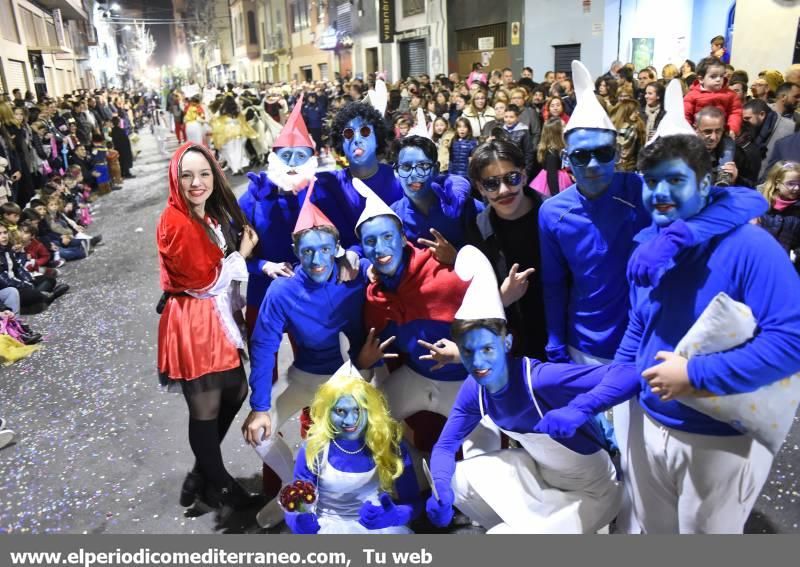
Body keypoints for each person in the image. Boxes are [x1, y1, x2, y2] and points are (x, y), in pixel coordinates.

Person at [539, 64, 768, 532]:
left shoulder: (638, 192)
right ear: (567, 159)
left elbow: (739, 203)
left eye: (604, 153)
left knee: (678, 483)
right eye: (581, 157)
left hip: (677, 368)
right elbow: (554, 283)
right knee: (619, 457)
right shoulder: (553, 212)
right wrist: (555, 343)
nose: (594, 166)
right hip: (604, 346)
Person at [615, 133, 800, 533]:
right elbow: (639, 325)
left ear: (704, 185)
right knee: (655, 534)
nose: (660, 193)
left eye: (675, 180)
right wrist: (608, 389)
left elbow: (790, 341)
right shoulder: (648, 248)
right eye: (650, 182)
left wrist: (695, 375)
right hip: (649, 423)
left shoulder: (752, 247)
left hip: (719, 438)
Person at [426, 246, 636, 533]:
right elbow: (445, 446)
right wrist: (441, 492)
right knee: (456, 481)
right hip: (539, 477)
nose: (478, 362)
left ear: (507, 343)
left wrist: (581, 407)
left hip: (594, 492)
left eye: (487, 348)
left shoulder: (540, 379)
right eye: (467, 351)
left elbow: (629, 374)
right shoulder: (474, 389)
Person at [243, 183, 369, 528]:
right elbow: (265, 347)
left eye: (324, 249)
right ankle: (295, 487)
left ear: (335, 249)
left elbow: (385, 258)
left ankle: (350, 498)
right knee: (258, 433)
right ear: (296, 251)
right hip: (305, 376)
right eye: (308, 251)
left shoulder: (352, 276)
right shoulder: (282, 290)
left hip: (351, 380)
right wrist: (259, 406)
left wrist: (357, 254)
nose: (316, 260)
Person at [356, 181, 500, 457]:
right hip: (415, 377)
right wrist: (364, 364)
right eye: (370, 241)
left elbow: (500, 332)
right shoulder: (374, 294)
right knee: (362, 427)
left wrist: (461, 353)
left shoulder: (445, 273)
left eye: (388, 237)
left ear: (402, 238)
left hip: (465, 381)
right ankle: (400, 489)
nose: (380, 248)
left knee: (486, 459)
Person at [156, 142, 260, 512]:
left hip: (213, 316)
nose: (196, 182)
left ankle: (203, 472)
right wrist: (242, 255)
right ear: (175, 178)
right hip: (194, 319)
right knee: (207, 406)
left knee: (234, 390)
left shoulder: (207, 214)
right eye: (187, 175)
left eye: (204, 174)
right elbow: (204, 281)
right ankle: (220, 485)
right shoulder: (177, 221)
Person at [286, 366, 421, 534]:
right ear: (327, 411)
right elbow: (296, 502)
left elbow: (414, 502)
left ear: (371, 410)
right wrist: (298, 522)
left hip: (378, 528)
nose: (350, 421)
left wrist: (396, 516)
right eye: (340, 411)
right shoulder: (314, 449)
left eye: (358, 410)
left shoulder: (390, 445)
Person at [463, 140, 547, 360]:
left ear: (524, 175)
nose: (504, 191)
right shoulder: (477, 230)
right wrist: (502, 298)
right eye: (491, 184)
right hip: (512, 347)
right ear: (480, 187)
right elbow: (474, 301)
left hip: (560, 342)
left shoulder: (551, 215)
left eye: (512, 179)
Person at [309, 98, 402, 250]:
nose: (357, 139)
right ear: (341, 142)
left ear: (377, 138)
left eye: (365, 131)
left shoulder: (397, 180)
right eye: (348, 133)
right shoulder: (327, 185)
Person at [390, 135, 481, 256]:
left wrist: (456, 257)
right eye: (406, 167)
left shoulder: (462, 205)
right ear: (396, 172)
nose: (414, 174)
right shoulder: (394, 217)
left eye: (423, 166)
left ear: (436, 169)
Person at [683, 57, 742, 186]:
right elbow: (686, 114)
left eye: (721, 76)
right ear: (701, 78)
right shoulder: (692, 95)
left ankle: (724, 173)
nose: (718, 80)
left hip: (722, 131)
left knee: (728, 147)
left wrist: (733, 127)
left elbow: (735, 111)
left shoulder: (729, 94)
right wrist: (688, 130)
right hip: (698, 132)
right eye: (713, 76)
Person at [757, 160, 800, 271]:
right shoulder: (759, 203)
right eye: (791, 184)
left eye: (799, 184)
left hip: (782, 266)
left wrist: (795, 255)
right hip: (755, 259)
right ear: (777, 183)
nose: (796, 188)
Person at [744, 99, 796, 180]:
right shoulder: (750, 129)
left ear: (762, 114)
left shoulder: (789, 128)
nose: (744, 122)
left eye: (748, 118)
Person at [530, 117, 570, 198]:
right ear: (556, 132)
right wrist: (555, 195)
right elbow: (551, 175)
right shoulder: (552, 153)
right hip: (555, 184)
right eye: (563, 126)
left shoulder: (559, 148)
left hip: (560, 178)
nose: (566, 128)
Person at [501, 105, 537, 180]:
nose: (508, 120)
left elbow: (529, 153)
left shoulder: (524, 131)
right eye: (506, 117)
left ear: (517, 118)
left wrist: (526, 171)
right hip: (503, 166)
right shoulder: (500, 130)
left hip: (518, 167)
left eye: (511, 117)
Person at [610, 99, 646, 172]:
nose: (638, 113)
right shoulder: (628, 129)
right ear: (628, 112)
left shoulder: (615, 127)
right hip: (627, 167)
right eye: (635, 111)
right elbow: (624, 151)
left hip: (616, 166)